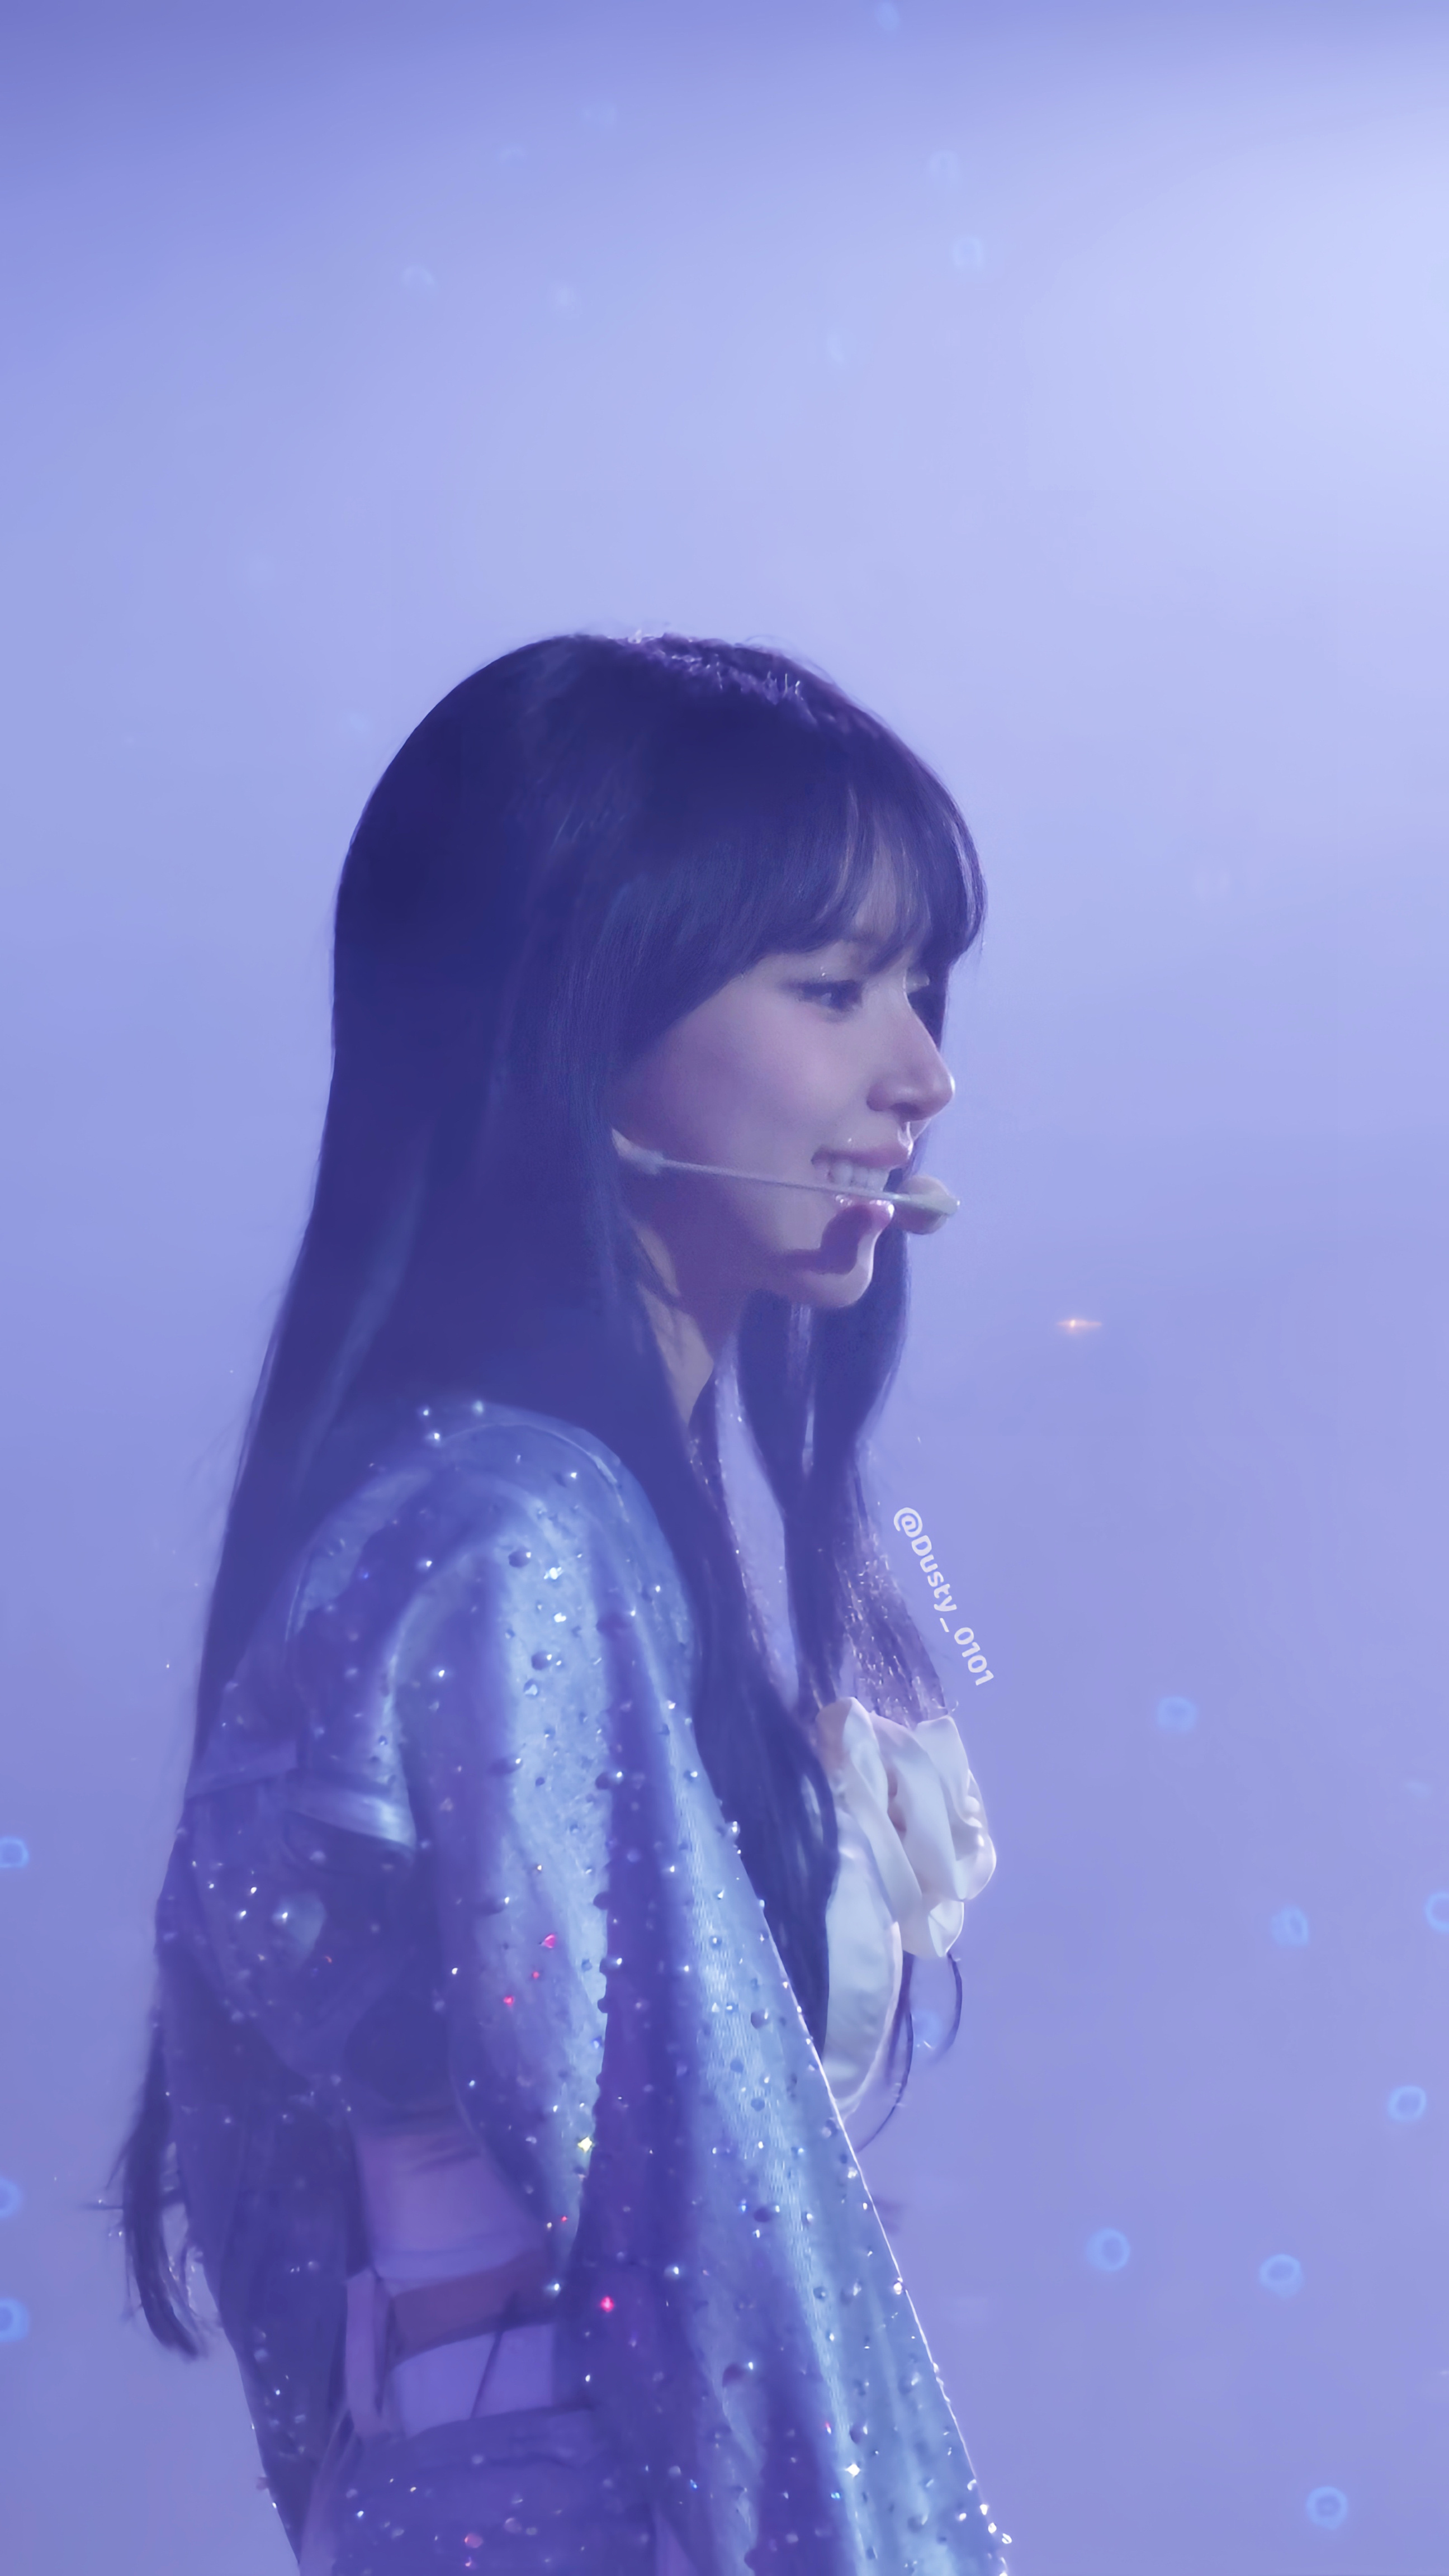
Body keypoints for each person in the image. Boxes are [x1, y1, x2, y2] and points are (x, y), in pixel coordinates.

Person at [119, 633, 1008, 2574]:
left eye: (923, 990)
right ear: (577, 1017)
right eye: (833, 989)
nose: (923, 1078)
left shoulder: (503, 1517)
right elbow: (705, 2227)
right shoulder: (515, 1539)